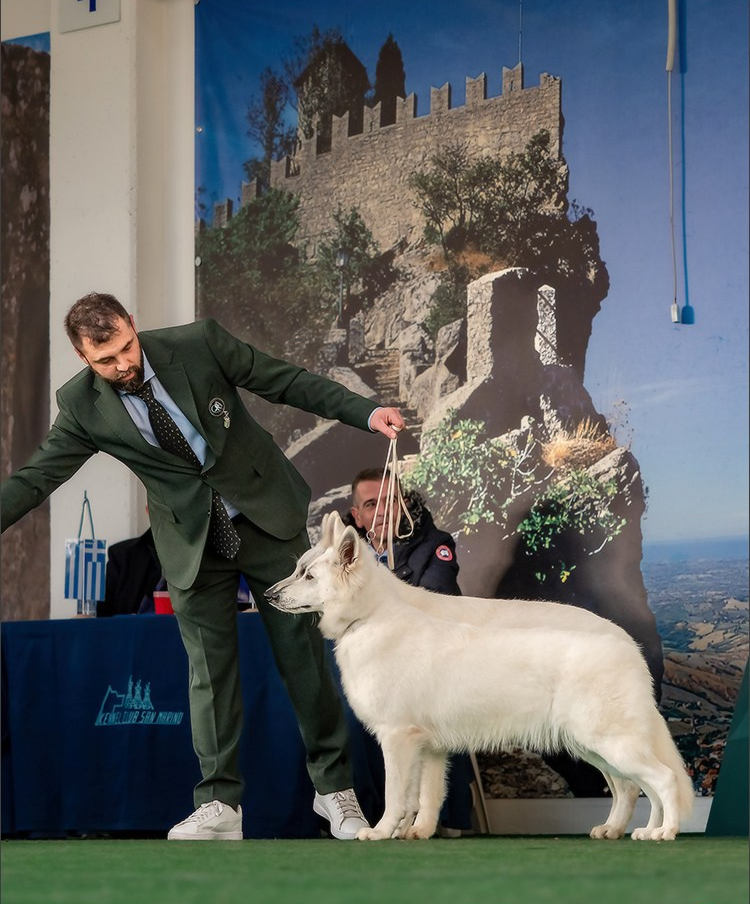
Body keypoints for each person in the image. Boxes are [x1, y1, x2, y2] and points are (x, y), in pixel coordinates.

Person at [1, 292, 405, 842]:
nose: (123, 365)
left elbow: (285, 380)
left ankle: (335, 792)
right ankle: (220, 805)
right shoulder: (81, 406)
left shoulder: (198, 344)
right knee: (208, 676)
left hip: (264, 517)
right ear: (82, 357)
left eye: (126, 348)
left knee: (303, 661)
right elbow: (36, 478)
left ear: (132, 327)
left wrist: (364, 412)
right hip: (191, 542)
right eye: (106, 360)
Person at [340, 467, 476, 836]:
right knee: (347, 711)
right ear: (357, 515)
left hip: (427, 668)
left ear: (402, 505)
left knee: (437, 711)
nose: (381, 510)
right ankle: (365, 813)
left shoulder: (435, 544)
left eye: (389, 501)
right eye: (371, 504)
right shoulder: (342, 555)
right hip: (368, 668)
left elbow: (439, 603)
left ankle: (445, 817)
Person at [97, 527, 163, 616]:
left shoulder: (187, 559)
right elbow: (102, 615)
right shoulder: (122, 556)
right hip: (128, 628)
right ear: (148, 512)